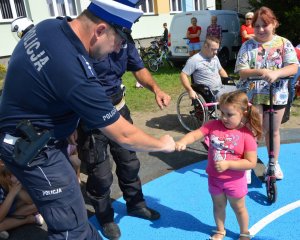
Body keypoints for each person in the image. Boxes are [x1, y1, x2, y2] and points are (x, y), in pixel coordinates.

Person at [0, 1, 175, 239]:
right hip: (35, 149)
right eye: (118, 42)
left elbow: (48, 89)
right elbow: (124, 135)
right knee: (71, 227)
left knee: (79, 204)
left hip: (38, 135)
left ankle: (126, 208)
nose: (117, 50)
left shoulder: (49, 27)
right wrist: (163, 144)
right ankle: (101, 220)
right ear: (100, 30)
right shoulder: (74, 68)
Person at [77, 2, 171, 240]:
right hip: (92, 118)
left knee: (129, 163)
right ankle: (105, 215)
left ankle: (135, 203)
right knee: (100, 173)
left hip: (119, 109)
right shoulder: (88, 43)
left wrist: (156, 89)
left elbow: (138, 68)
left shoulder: (125, 39)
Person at [175, 91, 262, 240]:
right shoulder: (213, 125)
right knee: (218, 206)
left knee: (239, 208)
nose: (224, 118)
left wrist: (229, 164)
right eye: (222, 112)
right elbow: (195, 134)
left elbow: (251, 162)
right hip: (214, 179)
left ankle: (244, 232)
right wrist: (183, 141)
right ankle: (220, 230)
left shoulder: (246, 135)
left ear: (243, 112)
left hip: (234, 181)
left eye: (230, 114)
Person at [235, 6, 298, 180]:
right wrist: (261, 72)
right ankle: (247, 164)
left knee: (273, 130)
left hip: (277, 94)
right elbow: (241, 70)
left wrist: (276, 73)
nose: (261, 30)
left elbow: (293, 66)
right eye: (257, 26)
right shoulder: (248, 46)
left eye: (265, 25)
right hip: (253, 94)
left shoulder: (284, 43)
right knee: (253, 130)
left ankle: (273, 163)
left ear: (275, 24)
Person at [180, 36, 236, 101]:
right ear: (206, 46)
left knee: (240, 93)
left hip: (221, 88)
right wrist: (190, 90)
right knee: (231, 99)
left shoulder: (215, 57)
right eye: (213, 49)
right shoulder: (194, 60)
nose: (216, 52)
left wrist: (227, 81)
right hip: (209, 93)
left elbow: (221, 70)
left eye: (217, 49)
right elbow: (183, 75)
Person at [0, 160, 44, 240]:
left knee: (38, 203)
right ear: (7, 176)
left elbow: (30, 201)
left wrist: (15, 188)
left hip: (8, 209)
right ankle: (28, 219)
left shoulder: (12, 179)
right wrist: (12, 193)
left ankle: (9, 223)